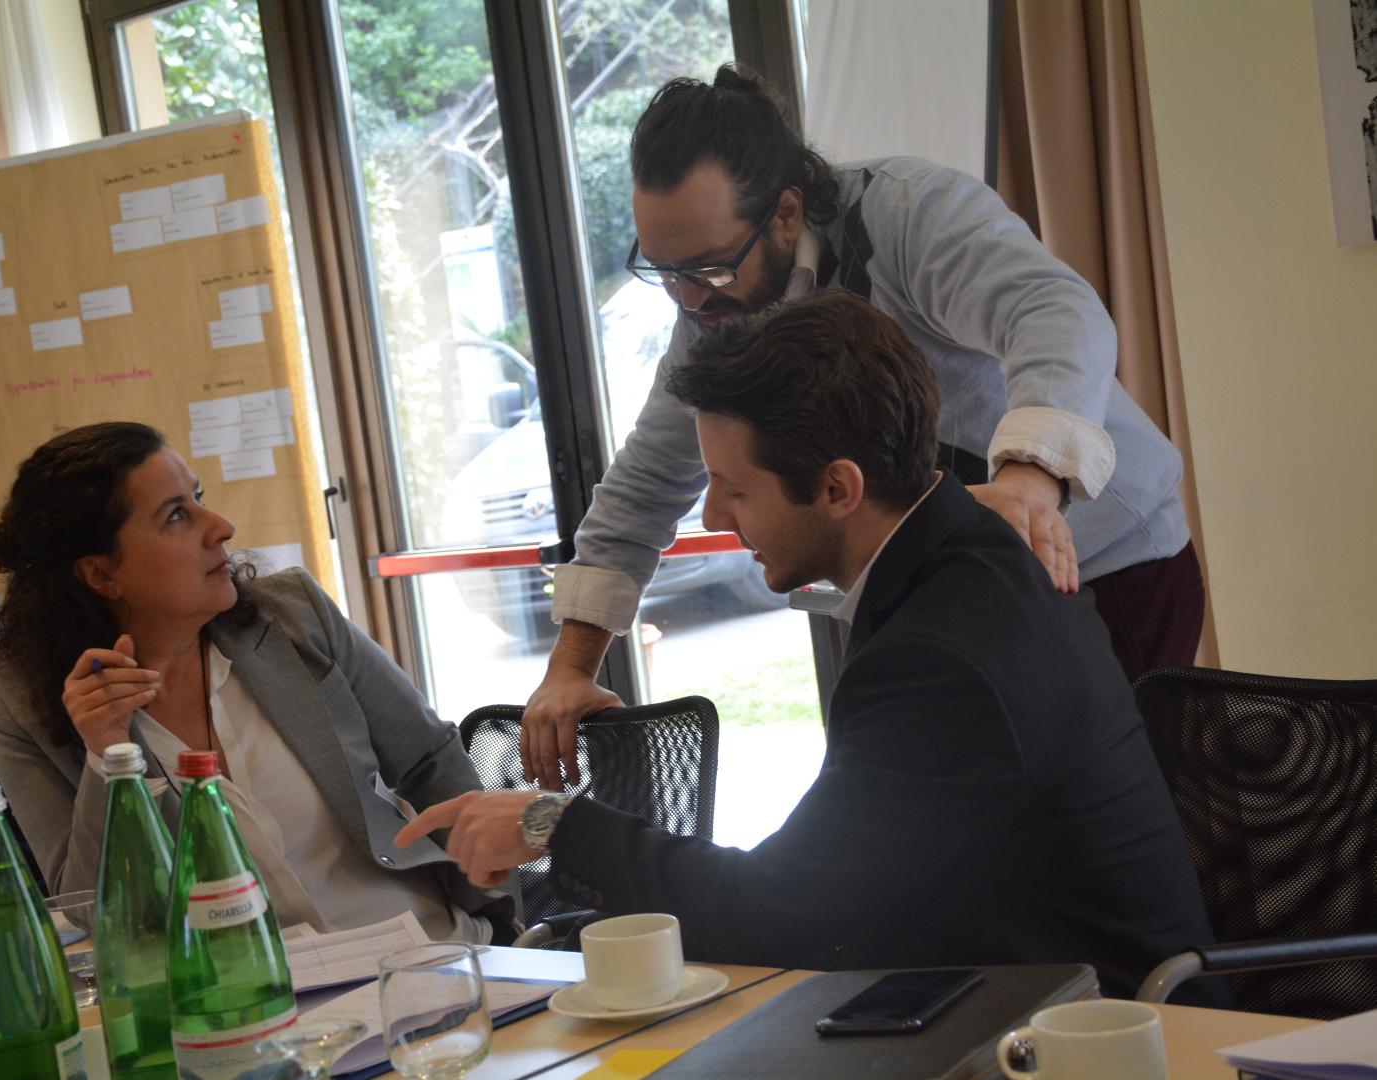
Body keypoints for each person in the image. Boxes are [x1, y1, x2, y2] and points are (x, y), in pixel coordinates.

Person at [398, 291, 1218, 1001]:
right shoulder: (965, 557)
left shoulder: (941, 656)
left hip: (1089, 1032)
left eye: (735, 488)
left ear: (837, 488)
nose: (713, 516)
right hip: (999, 990)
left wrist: (553, 822)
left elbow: (781, 915)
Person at [523, 66, 1204, 787]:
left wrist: (1031, 482)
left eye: (710, 270)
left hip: (1101, 563)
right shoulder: (712, 309)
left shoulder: (907, 213)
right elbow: (648, 479)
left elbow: (1055, 314)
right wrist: (571, 667)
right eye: (664, 273)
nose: (688, 301)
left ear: (786, 214)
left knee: (1095, 819)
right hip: (944, 598)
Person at [0, 422, 516, 944]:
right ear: (101, 574)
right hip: (239, 990)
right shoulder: (14, 704)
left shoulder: (296, 617)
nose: (221, 526)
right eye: (176, 516)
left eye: (198, 498)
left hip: (423, 948)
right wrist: (108, 755)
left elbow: (428, 760)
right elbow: (93, 910)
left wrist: (499, 909)